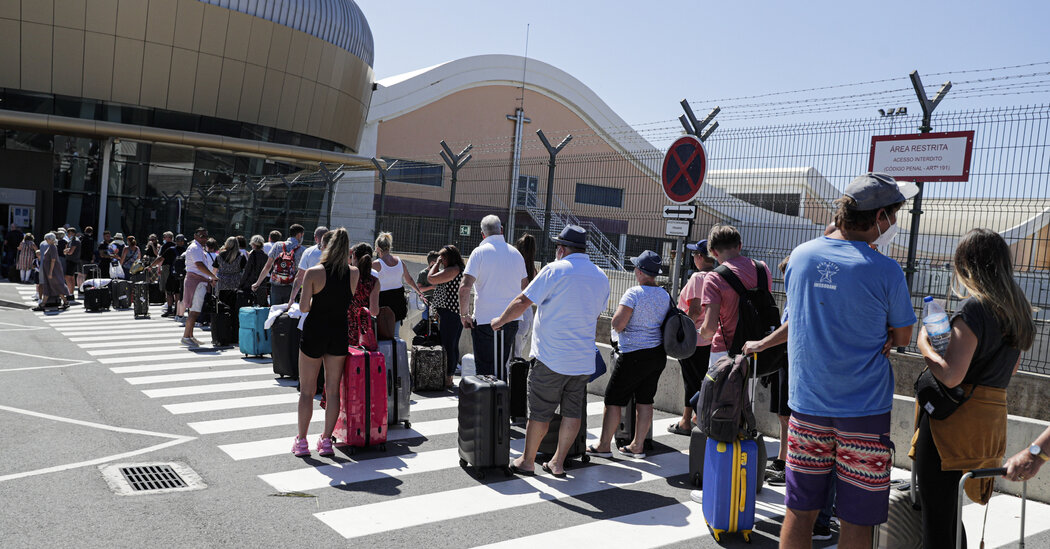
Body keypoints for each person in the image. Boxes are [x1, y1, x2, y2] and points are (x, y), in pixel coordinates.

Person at [776, 173, 917, 549]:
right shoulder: (885, 270)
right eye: (893, 217)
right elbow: (903, 336)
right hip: (864, 410)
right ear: (880, 217)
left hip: (807, 405)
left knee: (799, 510)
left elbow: (794, 319)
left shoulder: (801, 256)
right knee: (857, 519)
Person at [912, 228, 1035, 548]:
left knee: (937, 519)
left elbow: (951, 375)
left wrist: (923, 343)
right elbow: (1013, 368)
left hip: (952, 422)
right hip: (989, 420)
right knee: (950, 514)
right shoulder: (1018, 310)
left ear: (966, 264)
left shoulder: (974, 309)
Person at [491, 225, 610, 477]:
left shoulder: (555, 270)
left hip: (551, 357)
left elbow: (523, 301)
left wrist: (500, 320)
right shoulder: (601, 276)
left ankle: (527, 460)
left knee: (540, 412)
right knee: (572, 412)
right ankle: (558, 462)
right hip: (582, 359)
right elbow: (596, 314)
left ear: (562, 249)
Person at [587, 250, 668, 460]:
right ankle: (637, 445)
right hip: (656, 354)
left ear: (640, 271)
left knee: (613, 399)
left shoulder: (633, 293)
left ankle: (604, 445)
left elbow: (617, 324)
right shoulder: (665, 295)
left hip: (633, 354)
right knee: (645, 400)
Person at [293, 228, 360, 457]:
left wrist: (315, 304)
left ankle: (302, 442)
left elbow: (303, 307)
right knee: (332, 391)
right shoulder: (354, 273)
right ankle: (326, 440)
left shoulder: (313, 272)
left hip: (315, 330)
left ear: (325, 246)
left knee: (307, 391)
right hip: (338, 332)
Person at [459, 216, 529, 376]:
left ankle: (487, 399)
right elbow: (525, 288)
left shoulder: (479, 253)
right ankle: (501, 398)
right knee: (502, 364)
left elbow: (464, 287)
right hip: (511, 319)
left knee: (484, 368)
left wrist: (464, 315)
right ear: (501, 230)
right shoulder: (516, 254)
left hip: (485, 320)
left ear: (483, 234)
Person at [697, 225, 773, 366]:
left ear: (713, 252)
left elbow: (710, 329)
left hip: (725, 352)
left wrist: (700, 332)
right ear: (740, 246)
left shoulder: (714, 278)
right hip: (758, 349)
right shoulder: (762, 268)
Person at [668, 239, 714, 436]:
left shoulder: (698, 278)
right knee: (700, 380)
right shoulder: (717, 276)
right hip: (710, 339)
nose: (693, 257)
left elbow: (694, 310)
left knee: (691, 381)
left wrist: (683, 329)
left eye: (695, 254)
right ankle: (691, 418)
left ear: (701, 257)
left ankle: (689, 421)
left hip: (694, 338)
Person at [428, 245, 465, 389]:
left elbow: (431, 278)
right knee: (452, 345)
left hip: (451, 312)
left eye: (443, 258)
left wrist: (435, 264)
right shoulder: (456, 269)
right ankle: (448, 375)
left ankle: (449, 376)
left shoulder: (453, 270)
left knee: (449, 345)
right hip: (452, 312)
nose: (441, 260)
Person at [374, 232, 427, 331]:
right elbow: (409, 280)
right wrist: (419, 292)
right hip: (398, 299)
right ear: (389, 247)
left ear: (377, 248)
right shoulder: (399, 262)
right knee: (395, 332)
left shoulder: (376, 264)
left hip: (382, 300)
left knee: (382, 331)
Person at [251, 224, 305, 305]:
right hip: (291, 287)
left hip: (276, 286)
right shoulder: (302, 250)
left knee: (274, 313)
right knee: (288, 314)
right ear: (299, 235)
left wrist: (257, 283)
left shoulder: (277, 245)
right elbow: (302, 273)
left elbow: (267, 266)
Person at [181, 228, 217, 347]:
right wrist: (212, 276)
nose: (205, 238)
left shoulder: (198, 247)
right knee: (194, 311)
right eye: (202, 236)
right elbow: (199, 265)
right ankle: (186, 336)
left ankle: (190, 336)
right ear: (195, 236)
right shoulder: (195, 247)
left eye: (206, 236)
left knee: (194, 311)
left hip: (198, 280)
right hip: (196, 281)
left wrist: (209, 277)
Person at [347, 242, 381, 346]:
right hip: (363, 331)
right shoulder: (374, 281)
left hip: (343, 326)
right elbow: (374, 311)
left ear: (354, 256)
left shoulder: (346, 275)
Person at [289, 226, 329, 305]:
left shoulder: (308, 252)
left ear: (315, 238)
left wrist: (292, 299)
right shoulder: (337, 252)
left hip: (311, 295)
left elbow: (300, 276)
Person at [35, 232, 68, 311]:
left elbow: (53, 260)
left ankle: (65, 302)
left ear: (50, 239)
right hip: (51, 271)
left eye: (46, 239)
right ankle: (43, 304)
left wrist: (50, 272)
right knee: (50, 287)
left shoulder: (52, 247)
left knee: (55, 286)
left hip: (53, 272)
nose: (45, 240)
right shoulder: (51, 246)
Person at [213, 236, 246, 308]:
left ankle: (221, 318)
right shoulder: (241, 256)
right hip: (235, 283)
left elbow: (214, 270)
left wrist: (213, 280)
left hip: (221, 282)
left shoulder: (220, 255)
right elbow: (245, 271)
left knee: (220, 304)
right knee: (233, 304)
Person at [241, 235, 269, 306]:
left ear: (253, 244)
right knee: (261, 305)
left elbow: (247, 270)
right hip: (262, 283)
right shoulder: (266, 256)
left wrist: (241, 283)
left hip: (251, 283)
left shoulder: (252, 254)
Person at [416, 251, 439, 322]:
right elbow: (419, 289)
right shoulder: (423, 274)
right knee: (426, 315)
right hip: (426, 301)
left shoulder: (440, 273)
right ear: (432, 262)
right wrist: (431, 287)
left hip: (438, 301)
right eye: (438, 262)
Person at [63, 227, 82, 298]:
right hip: (72, 260)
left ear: (74, 233)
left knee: (68, 277)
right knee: (71, 277)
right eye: (68, 233)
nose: (69, 235)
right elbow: (65, 250)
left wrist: (66, 251)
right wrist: (66, 250)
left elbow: (70, 252)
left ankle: (70, 293)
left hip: (72, 260)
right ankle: (71, 293)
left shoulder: (75, 240)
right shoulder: (71, 241)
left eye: (70, 233)